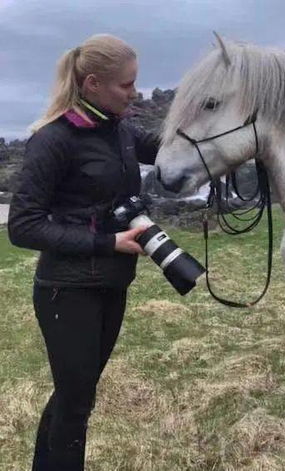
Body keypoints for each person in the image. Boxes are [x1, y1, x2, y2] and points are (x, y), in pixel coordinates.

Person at [8, 34, 160, 470]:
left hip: (113, 283)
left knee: (75, 393)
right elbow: (22, 225)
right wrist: (107, 242)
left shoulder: (123, 132)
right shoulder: (53, 140)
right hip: (67, 291)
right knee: (76, 402)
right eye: (126, 85)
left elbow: (177, 147)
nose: (135, 92)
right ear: (93, 84)